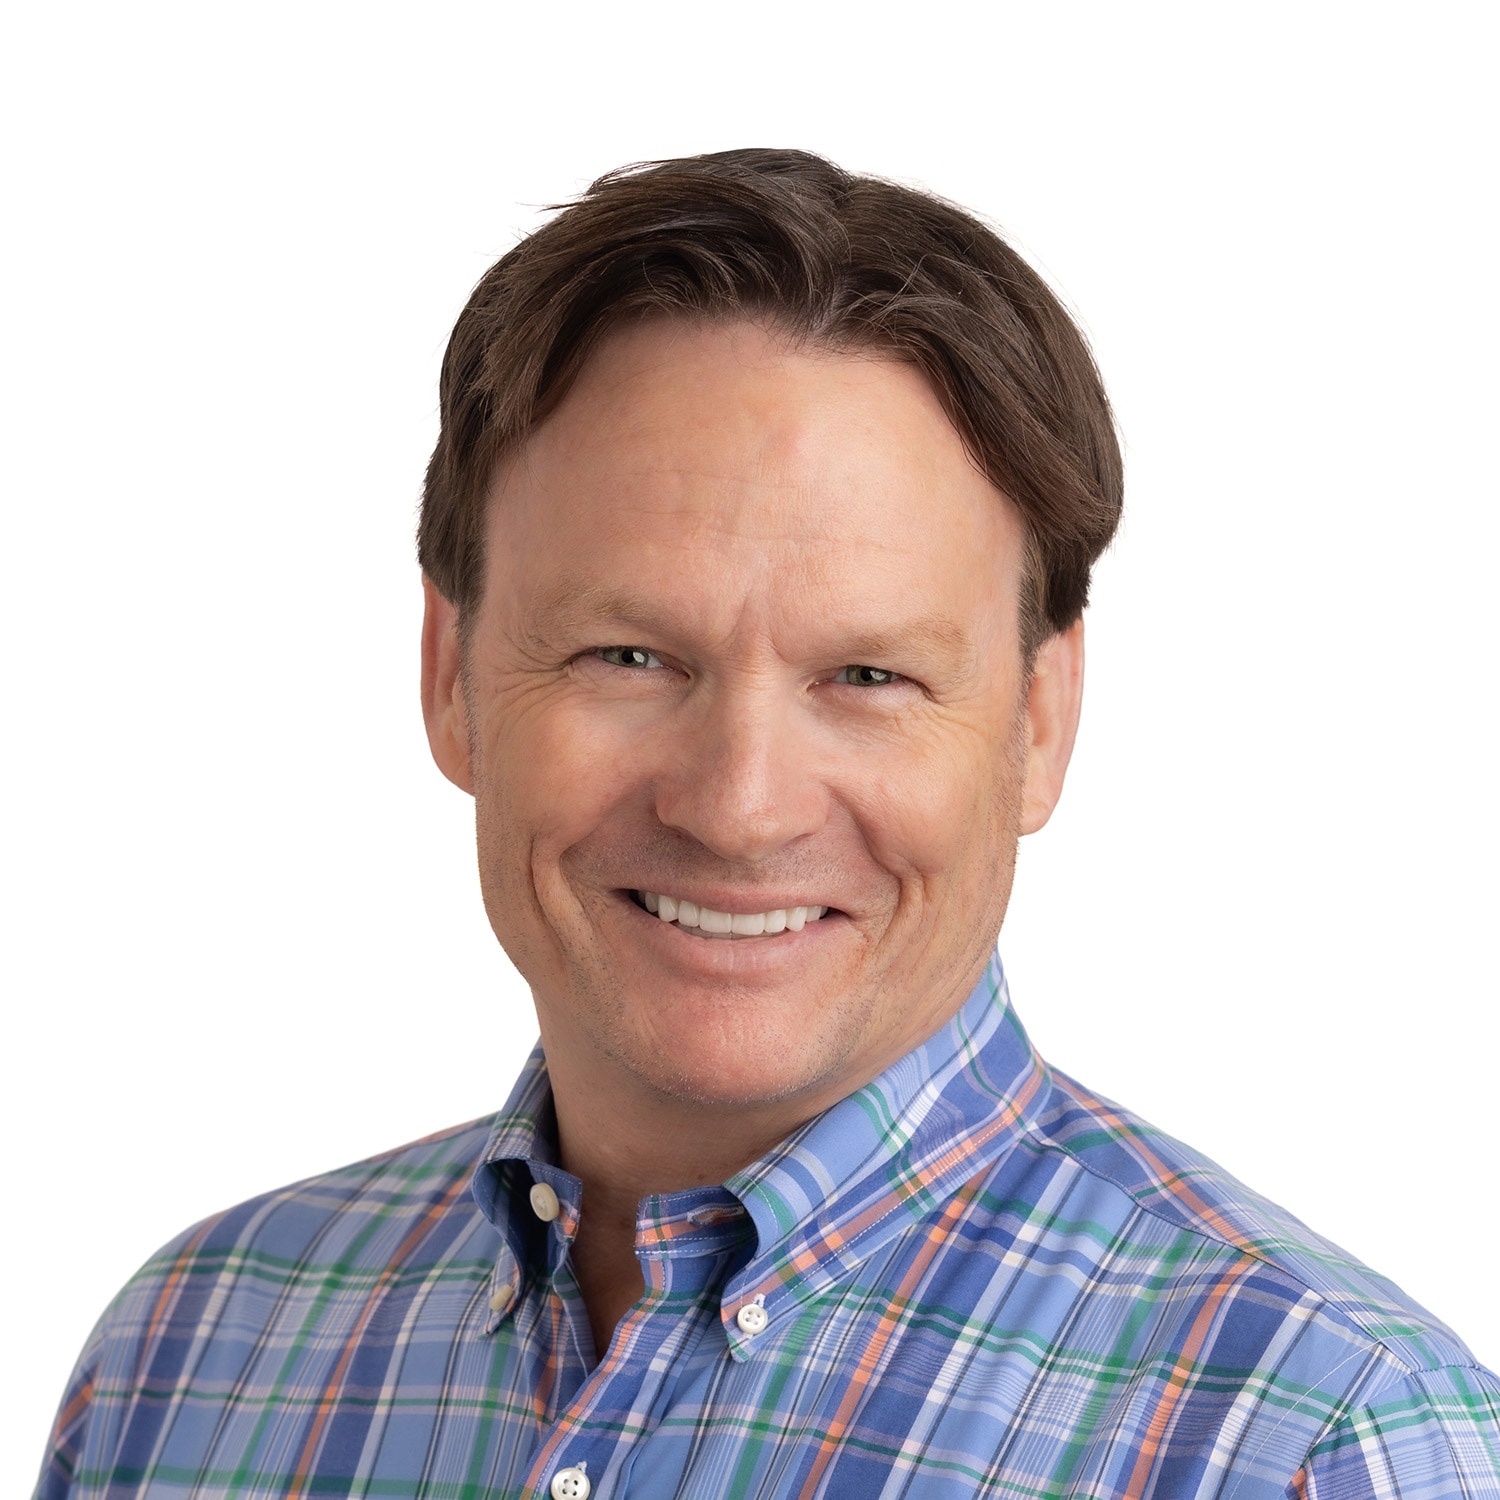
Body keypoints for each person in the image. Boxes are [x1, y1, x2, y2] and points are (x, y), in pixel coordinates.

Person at [36, 148, 1500, 1500]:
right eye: (628, 656)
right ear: (450, 675)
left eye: (869, 677)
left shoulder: (1326, 1443)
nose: (739, 808)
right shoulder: (185, 1363)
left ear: (1041, 723)